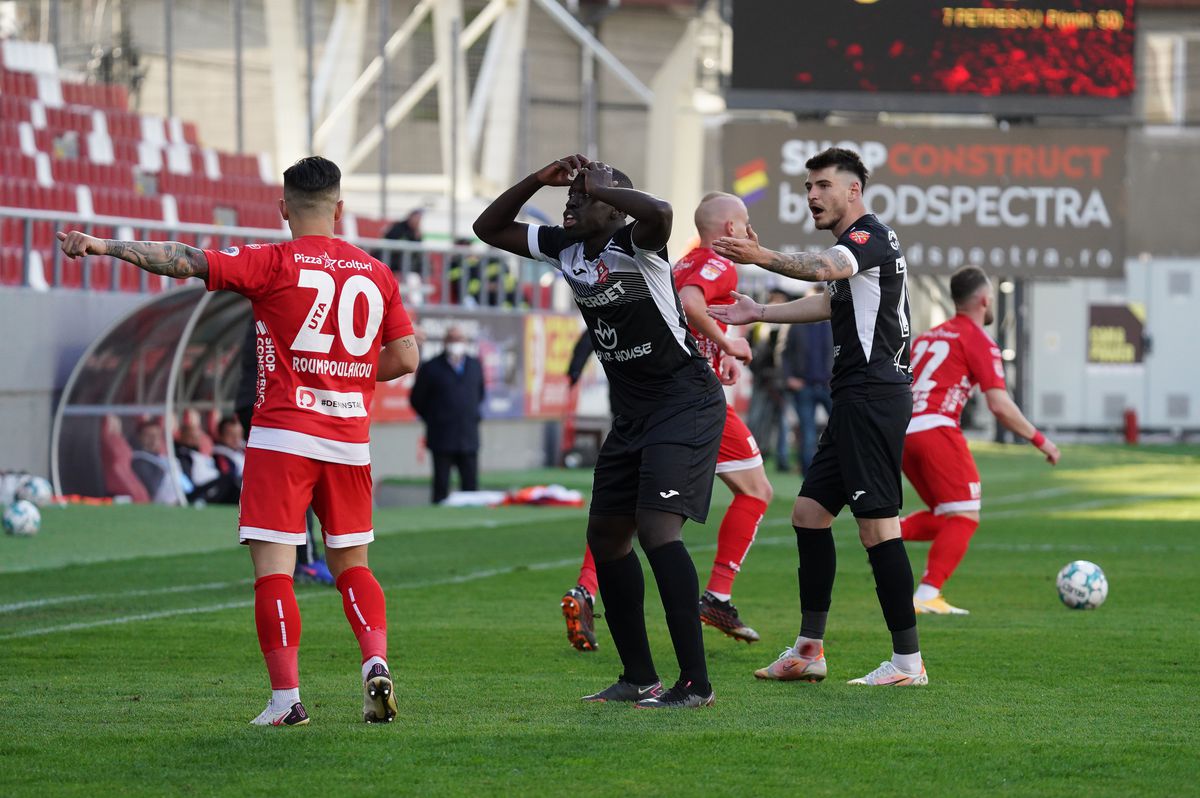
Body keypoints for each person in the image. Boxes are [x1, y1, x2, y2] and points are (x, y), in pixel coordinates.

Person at [59, 155, 421, 725]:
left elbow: (184, 261)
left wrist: (103, 246)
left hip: (283, 437)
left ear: (283, 209)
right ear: (341, 209)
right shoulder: (376, 273)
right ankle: (374, 662)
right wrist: (345, 371)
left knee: (275, 570)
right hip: (349, 438)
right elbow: (404, 358)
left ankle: (286, 702)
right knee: (353, 566)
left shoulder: (271, 263)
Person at [475, 154, 722, 709]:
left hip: (684, 401)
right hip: (632, 414)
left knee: (660, 535)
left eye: (582, 197)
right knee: (608, 539)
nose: (571, 201)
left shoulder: (638, 242)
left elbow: (660, 209)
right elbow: (487, 228)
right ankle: (638, 677)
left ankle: (696, 684)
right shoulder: (564, 248)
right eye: (571, 195)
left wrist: (603, 185)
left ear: (613, 209)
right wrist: (539, 179)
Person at [710, 146, 927, 687]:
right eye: (808, 187)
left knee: (878, 529)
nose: (812, 196)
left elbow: (822, 268)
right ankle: (809, 650)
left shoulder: (867, 238)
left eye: (823, 185)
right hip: (856, 396)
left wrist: (760, 258)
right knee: (809, 514)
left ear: (853, 190)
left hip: (874, 396)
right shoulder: (853, 250)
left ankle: (907, 663)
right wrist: (759, 311)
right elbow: (831, 301)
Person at [561, 191, 772, 652]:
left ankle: (585, 588)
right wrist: (729, 344)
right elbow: (694, 305)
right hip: (691, 400)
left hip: (660, 394)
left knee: (629, 509)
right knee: (756, 491)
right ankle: (717, 597)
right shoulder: (720, 263)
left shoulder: (678, 262)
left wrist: (720, 351)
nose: (751, 232)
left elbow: (683, 310)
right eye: (747, 223)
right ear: (731, 230)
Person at [901, 265, 1061, 615]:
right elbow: (999, 405)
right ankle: (928, 593)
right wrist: (1041, 441)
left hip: (903, 433)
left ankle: (888, 534)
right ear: (985, 301)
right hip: (937, 429)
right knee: (965, 515)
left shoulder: (927, 337)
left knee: (945, 517)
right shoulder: (977, 340)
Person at [235, 318, 333, 586]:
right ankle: (306, 559)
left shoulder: (264, 310)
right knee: (299, 481)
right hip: (269, 403)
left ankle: (292, 560)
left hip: (259, 401)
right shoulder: (275, 309)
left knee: (286, 485)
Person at [409, 325, 486, 504]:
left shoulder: (475, 365)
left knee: (470, 485)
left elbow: (480, 394)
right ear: (444, 342)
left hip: (468, 435)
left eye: (459, 339)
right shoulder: (431, 367)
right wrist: (434, 418)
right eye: (452, 339)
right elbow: (417, 399)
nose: (456, 343)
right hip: (441, 436)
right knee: (441, 485)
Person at [781, 285, 834, 475]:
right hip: (804, 386)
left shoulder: (834, 323)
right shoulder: (797, 326)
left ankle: (842, 470)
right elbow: (785, 353)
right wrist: (789, 378)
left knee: (843, 428)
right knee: (808, 433)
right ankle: (809, 474)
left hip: (830, 386)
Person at [745, 289, 791, 471]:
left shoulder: (789, 323)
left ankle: (781, 459)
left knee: (781, 421)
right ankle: (754, 454)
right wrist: (758, 370)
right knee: (757, 417)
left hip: (780, 380)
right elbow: (751, 349)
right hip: (763, 378)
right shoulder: (758, 324)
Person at [130, 418, 180, 505]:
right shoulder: (139, 460)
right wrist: (163, 467)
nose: (154, 439)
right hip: (164, 506)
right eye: (149, 435)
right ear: (139, 437)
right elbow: (153, 488)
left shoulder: (161, 457)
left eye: (157, 435)